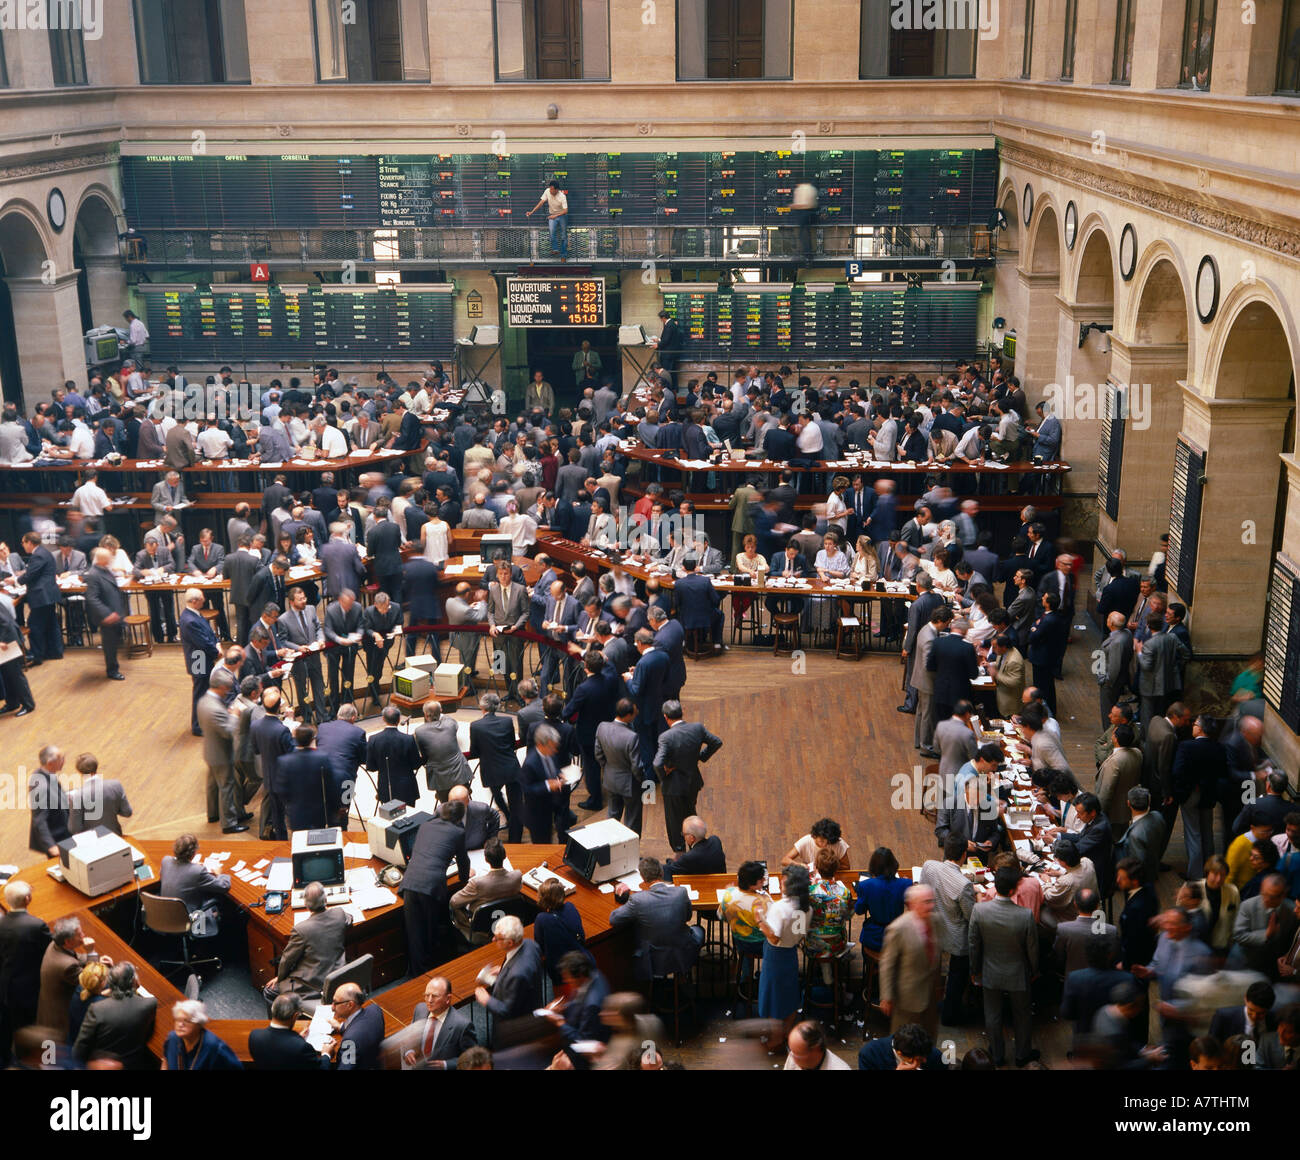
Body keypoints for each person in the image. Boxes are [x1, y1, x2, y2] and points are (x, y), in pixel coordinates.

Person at [969, 864, 1040, 1068]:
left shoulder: (979, 910)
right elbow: (1032, 949)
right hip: (1018, 974)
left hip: (990, 971)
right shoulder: (1025, 916)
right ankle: (1022, 1054)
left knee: (992, 1015)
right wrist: (1034, 970)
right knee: (1022, 1015)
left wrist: (974, 971)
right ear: (1013, 890)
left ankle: (997, 1055)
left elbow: (973, 944)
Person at [399, 801, 470, 976]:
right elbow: (463, 860)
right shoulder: (458, 832)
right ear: (459, 817)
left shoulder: (425, 825)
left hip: (410, 881)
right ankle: (430, 974)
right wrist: (464, 880)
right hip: (431, 886)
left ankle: (416, 976)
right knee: (430, 931)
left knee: (414, 933)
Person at [610, 856, 702, 981]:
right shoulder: (681, 892)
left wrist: (623, 899)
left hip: (653, 960)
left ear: (642, 878)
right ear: (662, 872)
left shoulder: (638, 900)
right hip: (682, 954)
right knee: (699, 930)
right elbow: (688, 917)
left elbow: (614, 919)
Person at [653, 700, 723, 853]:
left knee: (674, 822)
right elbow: (716, 742)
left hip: (673, 787)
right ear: (681, 712)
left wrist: (664, 776)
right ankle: (695, 848)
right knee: (690, 814)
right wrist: (700, 757)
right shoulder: (697, 728)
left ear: (665, 717)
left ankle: (680, 853)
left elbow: (657, 763)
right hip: (692, 782)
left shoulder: (666, 737)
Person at [270, 881, 351, 998]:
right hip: (338, 976)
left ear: (306, 905)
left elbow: (287, 960)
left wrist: (279, 978)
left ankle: (281, 1016)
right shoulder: (339, 914)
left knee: (270, 991)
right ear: (325, 900)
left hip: (314, 985)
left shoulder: (301, 929)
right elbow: (349, 918)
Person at [72, 961, 157, 1070]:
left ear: (109, 983)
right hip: (133, 1064)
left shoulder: (98, 1009)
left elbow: (80, 1049)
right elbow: (148, 1033)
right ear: (134, 982)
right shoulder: (150, 1004)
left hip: (101, 1065)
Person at [474, 915, 545, 1043]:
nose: (493, 939)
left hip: (516, 1028)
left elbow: (506, 1011)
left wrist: (487, 1000)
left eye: (498, 938)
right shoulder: (530, 944)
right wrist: (503, 971)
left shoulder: (517, 974)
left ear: (510, 943)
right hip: (531, 1002)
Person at [758, 864, 810, 1022]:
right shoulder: (806, 907)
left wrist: (760, 919)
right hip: (791, 954)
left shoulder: (779, 908)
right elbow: (800, 933)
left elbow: (774, 937)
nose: (781, 883)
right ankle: (787, 1031)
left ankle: (772, 1037)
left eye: (784, 881)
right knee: (788, 995)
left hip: (775, 956)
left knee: (771, 995)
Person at [450, 838, 524, 943]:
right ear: (504, 856)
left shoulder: (477, 883)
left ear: (486, 859)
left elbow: (453, 902)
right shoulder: (517, 876)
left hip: (481, 928)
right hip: (507, 920)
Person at [533, 878, 589, 986]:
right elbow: (581, 935)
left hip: (561, 971)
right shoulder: (570, 907)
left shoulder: (542, 919)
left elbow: (539, 948)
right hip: (582, 961)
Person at [365, 703, 422, 807]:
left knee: (389, 819)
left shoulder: (373, 739)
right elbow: (416, 764)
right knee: (409, 820)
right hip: (406, 788)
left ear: (383, 719)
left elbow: (371, 767)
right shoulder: (408, 739)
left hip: (385, 787)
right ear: (399, 719)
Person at [249, 994, 323, 1071]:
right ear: (295, 1016)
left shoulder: (254, 1036)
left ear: (272, 1009)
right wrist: (326, 1054)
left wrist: (297, 1039)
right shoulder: (302, 1047)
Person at [162, 1000, 242, 1070]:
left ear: (199, 1024)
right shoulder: (172, 1038)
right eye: (178, 1020)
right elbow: (166, 1060)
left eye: (186, 1021)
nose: (180, 1024)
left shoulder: (215, 1047)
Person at [329, 982, 385, 1070]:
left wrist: (327, 1054)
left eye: (335, 1003)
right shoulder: (375, 1009)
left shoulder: (350, 1041)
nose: (332, 1007)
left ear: (350, 1005)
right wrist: (341, 1028)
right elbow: (361, 1029)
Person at [526, 179, 569, 263]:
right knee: (552, 232)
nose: (550, 191)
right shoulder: (547, 191)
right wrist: (532, 212)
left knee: (564, 235)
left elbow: (565, 210)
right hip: (552, 215)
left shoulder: (562, 196)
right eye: (550, 189)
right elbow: (541, 203)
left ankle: (563, 256)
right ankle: (555, 249)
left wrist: (555, 216)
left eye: (552, 189)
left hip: (562, 216)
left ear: (557, 190)